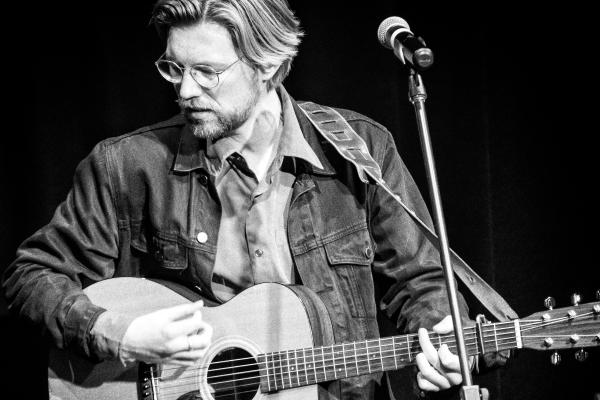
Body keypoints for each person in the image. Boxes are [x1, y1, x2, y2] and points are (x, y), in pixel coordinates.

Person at [3, 0, 491, 398]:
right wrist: (118, 333)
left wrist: (441, 337)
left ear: (271, 68)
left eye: (207, 72)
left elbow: (423, 280)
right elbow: (31, 276)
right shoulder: (128, 165)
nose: (185, 90)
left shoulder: (360, 152)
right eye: (174, 67)